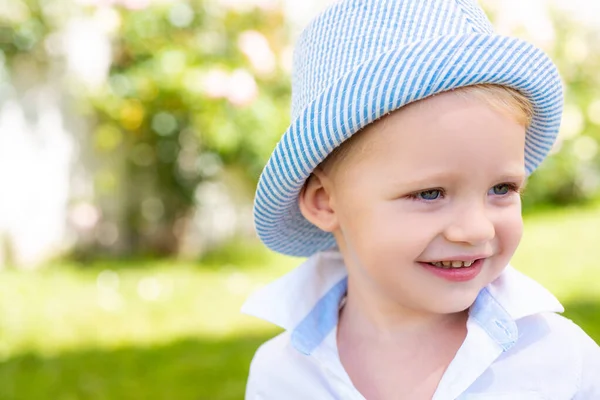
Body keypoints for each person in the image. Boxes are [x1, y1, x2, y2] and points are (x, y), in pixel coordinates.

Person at [242, 0, 600, 398]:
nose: (476, 229)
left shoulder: (560, 363)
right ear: (326, 201)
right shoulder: (282, 376)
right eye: (430, 193)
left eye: (502, 189)